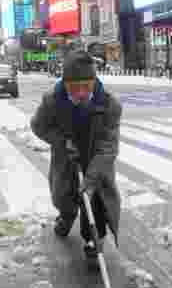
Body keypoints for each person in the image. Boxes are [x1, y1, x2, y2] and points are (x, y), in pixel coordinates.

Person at [31, 50, 123, 263]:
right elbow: (38, 126)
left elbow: (109, 147)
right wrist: (61, 142)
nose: (81, 93)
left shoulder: (109, 105)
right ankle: (66, 215)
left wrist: (90, 180)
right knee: (63, 194)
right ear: (64, 83)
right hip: (67, 156)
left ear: (94, 81)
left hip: (96, 158)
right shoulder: (52, 101)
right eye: (75, 87)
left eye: (87, 86)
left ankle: (94, 242)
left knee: (96, 200)